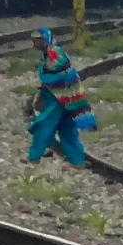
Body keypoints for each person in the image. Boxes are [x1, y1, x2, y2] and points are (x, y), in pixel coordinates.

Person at [25, 27, 96, 167]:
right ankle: (77, 161)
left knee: (44, 125)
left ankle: (33, 158)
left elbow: (64, 74)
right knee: (66, 129)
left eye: (37, 41)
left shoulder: (54, 53)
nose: (34, 44)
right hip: (68, 97)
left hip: (59, 97)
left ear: (45, 39)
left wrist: (46, 87)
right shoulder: (49, 53)